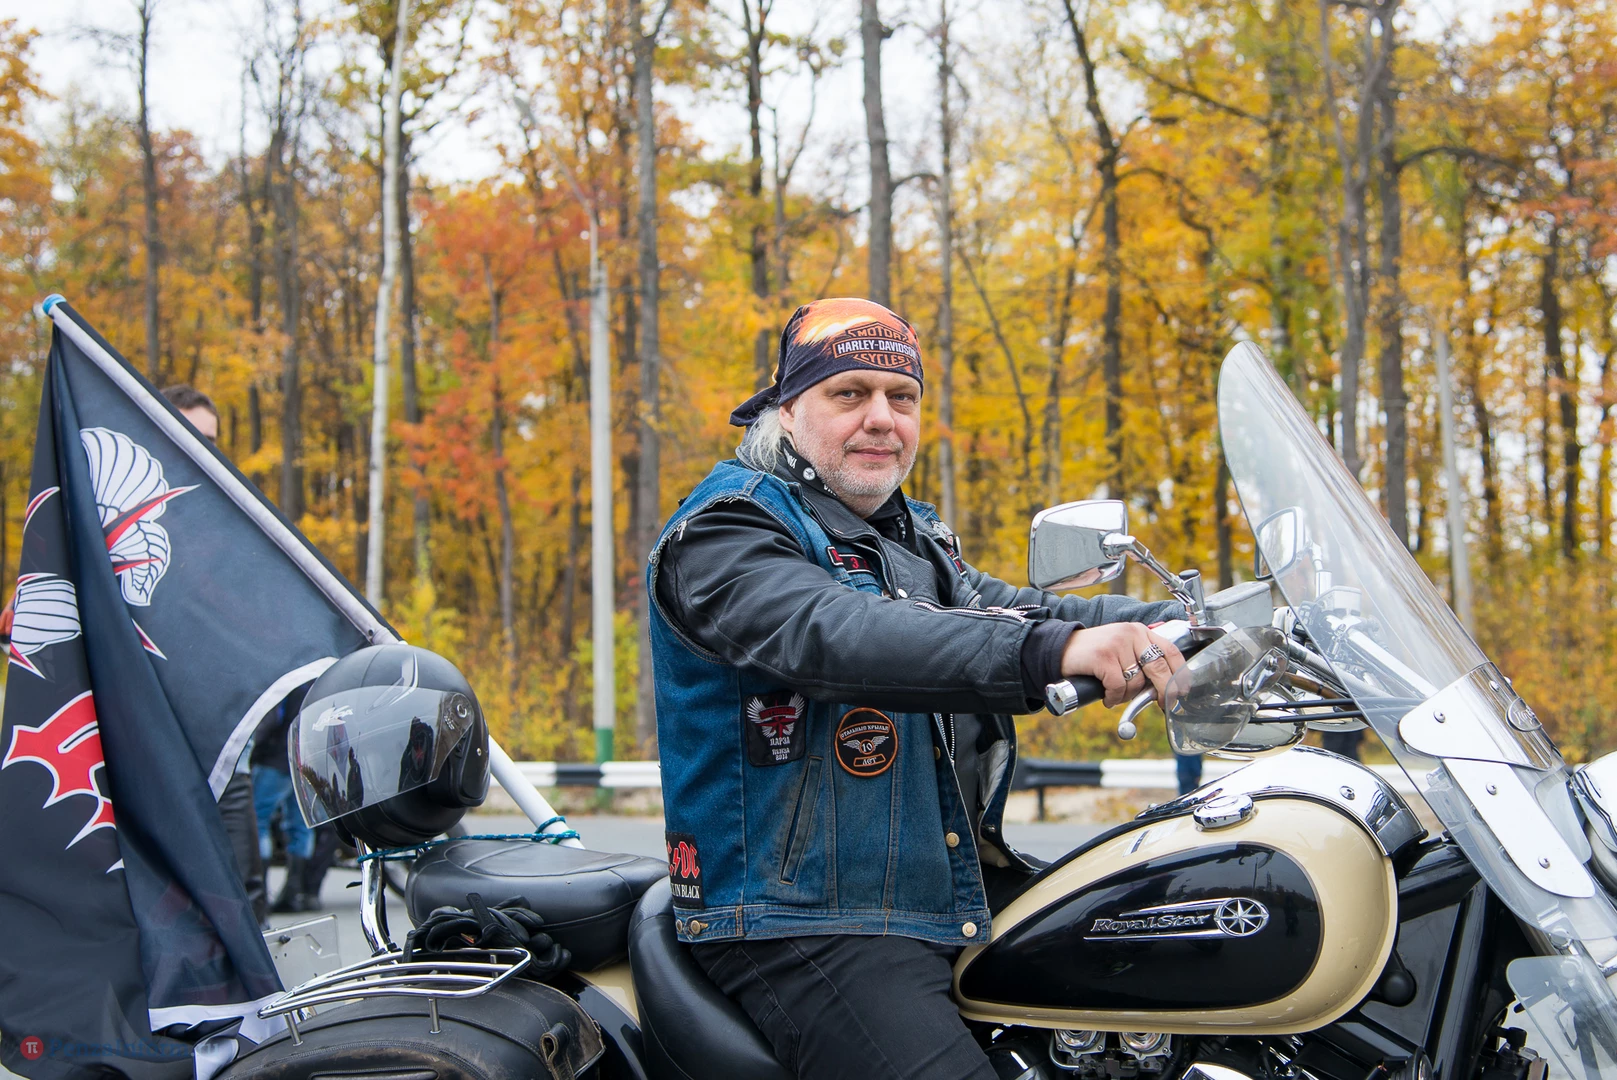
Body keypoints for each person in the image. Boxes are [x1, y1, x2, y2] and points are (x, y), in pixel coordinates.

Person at [647, 297, 1187, 1080]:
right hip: (801, 918)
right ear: (787, 409)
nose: (881, 417)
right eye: (849, 393)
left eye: (901, 397)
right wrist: (1053, 652)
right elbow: (836, 632)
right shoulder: (726, 529)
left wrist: (1194, 622)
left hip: (934, 894)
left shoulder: (908, 538)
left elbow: (1025, 610)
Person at [161, 383, 271, 925]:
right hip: (144, 742)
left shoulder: (231, 521)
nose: (206, 449)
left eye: (213, 439)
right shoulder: (110, 521)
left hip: (223, 734)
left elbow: (259, 616)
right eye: (192, 434)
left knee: (242, 899)